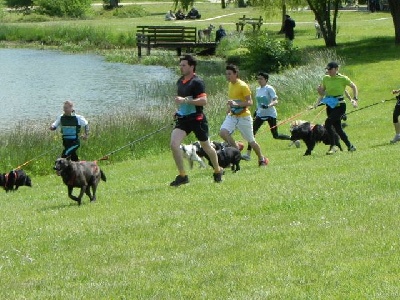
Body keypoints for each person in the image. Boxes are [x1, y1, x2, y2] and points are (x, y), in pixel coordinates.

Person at [170, 54, 223, 186]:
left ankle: (217, 170)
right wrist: (178, 111)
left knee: (206, 147)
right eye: (180, 65)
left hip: (197, 120)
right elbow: (183, 102)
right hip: (183, 119)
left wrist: (185, 100)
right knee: (174, 144)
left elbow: (203, 101)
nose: (181, 67)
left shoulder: (197, 82)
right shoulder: (180, 81)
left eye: (184, 65)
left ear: (191, 67)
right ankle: (183, 176)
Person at [219, 64, 269, 166]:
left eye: (230, 74)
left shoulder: (243, 85)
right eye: (226, 74)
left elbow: (250, 102)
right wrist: (229, 108)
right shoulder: (230, 85)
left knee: (251, 141)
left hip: (244, 117)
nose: (227, 76)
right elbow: (233, 100)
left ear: (236, 74)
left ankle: (261, 159)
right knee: (223, 132)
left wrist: (236, 104)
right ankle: (236, 149)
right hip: (232, 116)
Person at [241, 72, 292, 161]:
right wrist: (256, 111)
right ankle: (248, 154)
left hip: (270, 114)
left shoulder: (269, 89)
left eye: (261, 79)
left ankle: (293, 139)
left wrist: (268, 106)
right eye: (258, 79)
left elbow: (275, 101)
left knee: (275, 135)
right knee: (252, 133)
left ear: (266, 80)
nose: (259, 80)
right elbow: (258, 103)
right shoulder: (258, 89)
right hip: (260, 114)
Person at [313, 61, 358, 155]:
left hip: (340, 106)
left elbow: (354, 87)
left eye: (330, 69)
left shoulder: (343, 78)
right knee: (338, 129)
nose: (328, 71)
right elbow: (322, 93)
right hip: (330, 105)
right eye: (327, 69)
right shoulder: (325, 78)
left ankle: (333, 146)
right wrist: (317, 103)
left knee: (328, 123)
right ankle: (350, 146)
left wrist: (354, 99)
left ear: (336, 69)